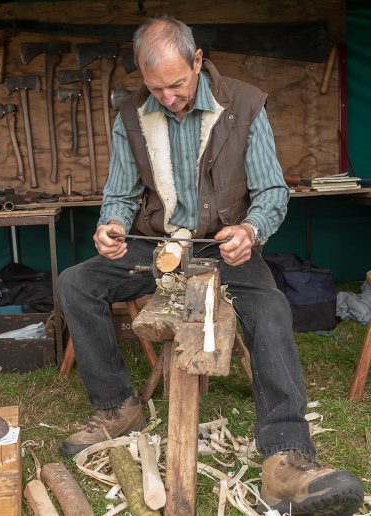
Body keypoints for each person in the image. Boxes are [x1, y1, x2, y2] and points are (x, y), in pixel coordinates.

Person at [57, 16, 364, 515]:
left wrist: (250, 232)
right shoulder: (132, 112)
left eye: (177, 84)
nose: (169, 97)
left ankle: (286, 457)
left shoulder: (243, 104)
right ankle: (117, 406)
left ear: (197, 60)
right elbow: (118, 193)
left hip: (223, 244)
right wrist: (111, 226)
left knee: (269, 309)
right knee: (76, 282)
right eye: (156, 88)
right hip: (155, 245)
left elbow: (270, 192)